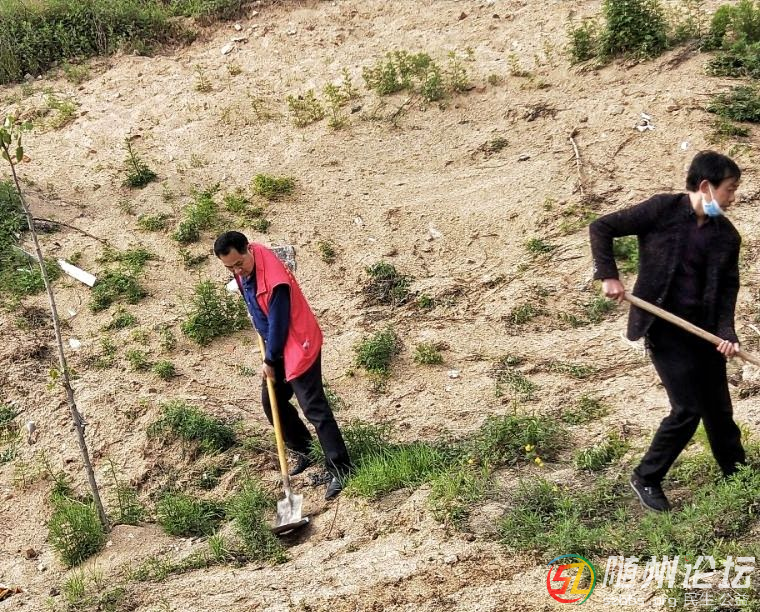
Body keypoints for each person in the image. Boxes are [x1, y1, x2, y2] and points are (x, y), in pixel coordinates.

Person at [589, 150, 746, 512]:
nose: (733, 197)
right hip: (663, 327)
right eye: (730, 188)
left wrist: (727, 333)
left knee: (719, 410)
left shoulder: (726, 236)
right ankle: (646, 476)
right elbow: (602, 227)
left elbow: (728, 290)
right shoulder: (663, 209)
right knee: (687, 409)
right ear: (705, 186)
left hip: (705, 332)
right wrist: (609, 275)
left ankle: (738, 475)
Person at [214, 231, 352, 500]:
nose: (236, 271)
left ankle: (341, 468)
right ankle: (304, 450)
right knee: (272, 402)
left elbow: (280, 324)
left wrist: (269, 360)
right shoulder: (247, 264)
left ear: (248, 249)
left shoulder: (274, 281)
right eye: (230, 268)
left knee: (314, 407)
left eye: (239, 264)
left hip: (298, 343)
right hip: (276, 345)